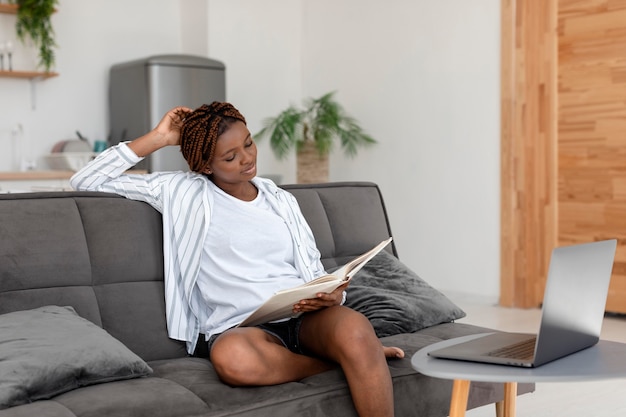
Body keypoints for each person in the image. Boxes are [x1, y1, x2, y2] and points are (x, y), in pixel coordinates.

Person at [70, 102, 404, 417]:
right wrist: (159, 138)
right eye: (230, 156)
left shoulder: (280, 200)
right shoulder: (180, 191)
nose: (246, 159)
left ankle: (359, 352)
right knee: (235, 361)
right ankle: (351, 362)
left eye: (248, 143)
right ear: (204, 165)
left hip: (301, 316)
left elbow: (311, 268)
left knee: (356, 329)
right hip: (240, 329)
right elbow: (85, 180)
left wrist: (332, 293)